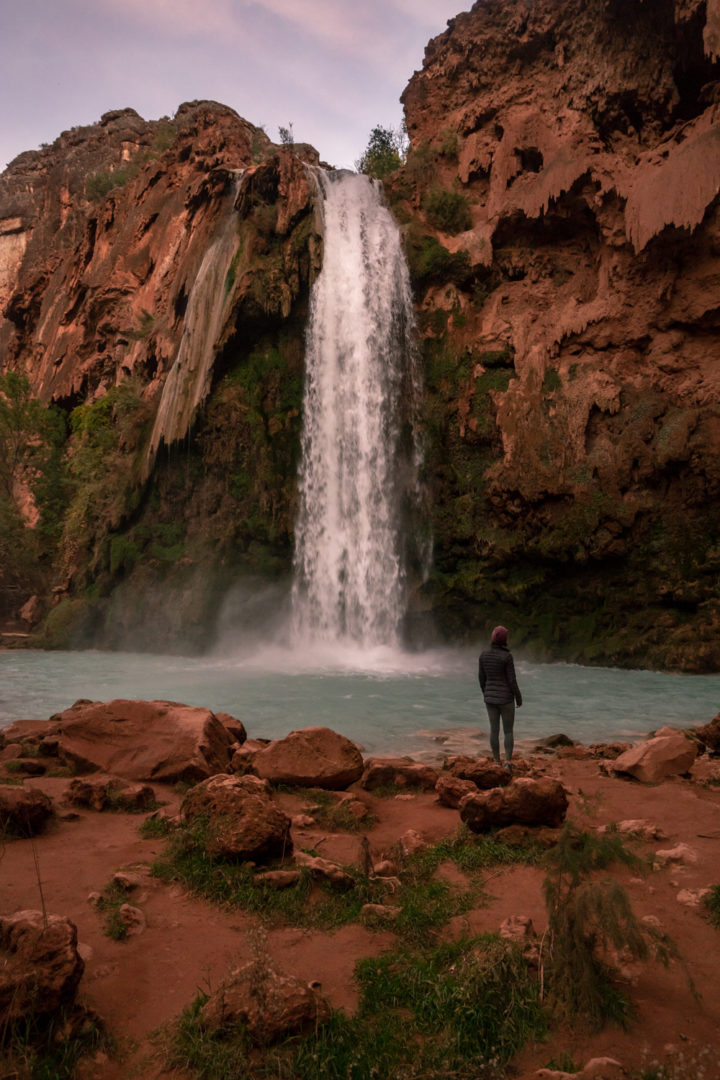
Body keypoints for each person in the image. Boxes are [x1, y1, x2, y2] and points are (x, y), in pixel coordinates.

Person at [478, 625, 522, 772]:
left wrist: (486, 693)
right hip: (506, 699)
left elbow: (481, 678)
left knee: (494, 730)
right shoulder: (507, 657)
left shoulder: (483, 655)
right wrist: (518, 697)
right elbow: (512, 680)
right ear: (505, 640)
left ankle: (496, 762)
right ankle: (508, 763)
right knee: (508, 731)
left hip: (490, 699)